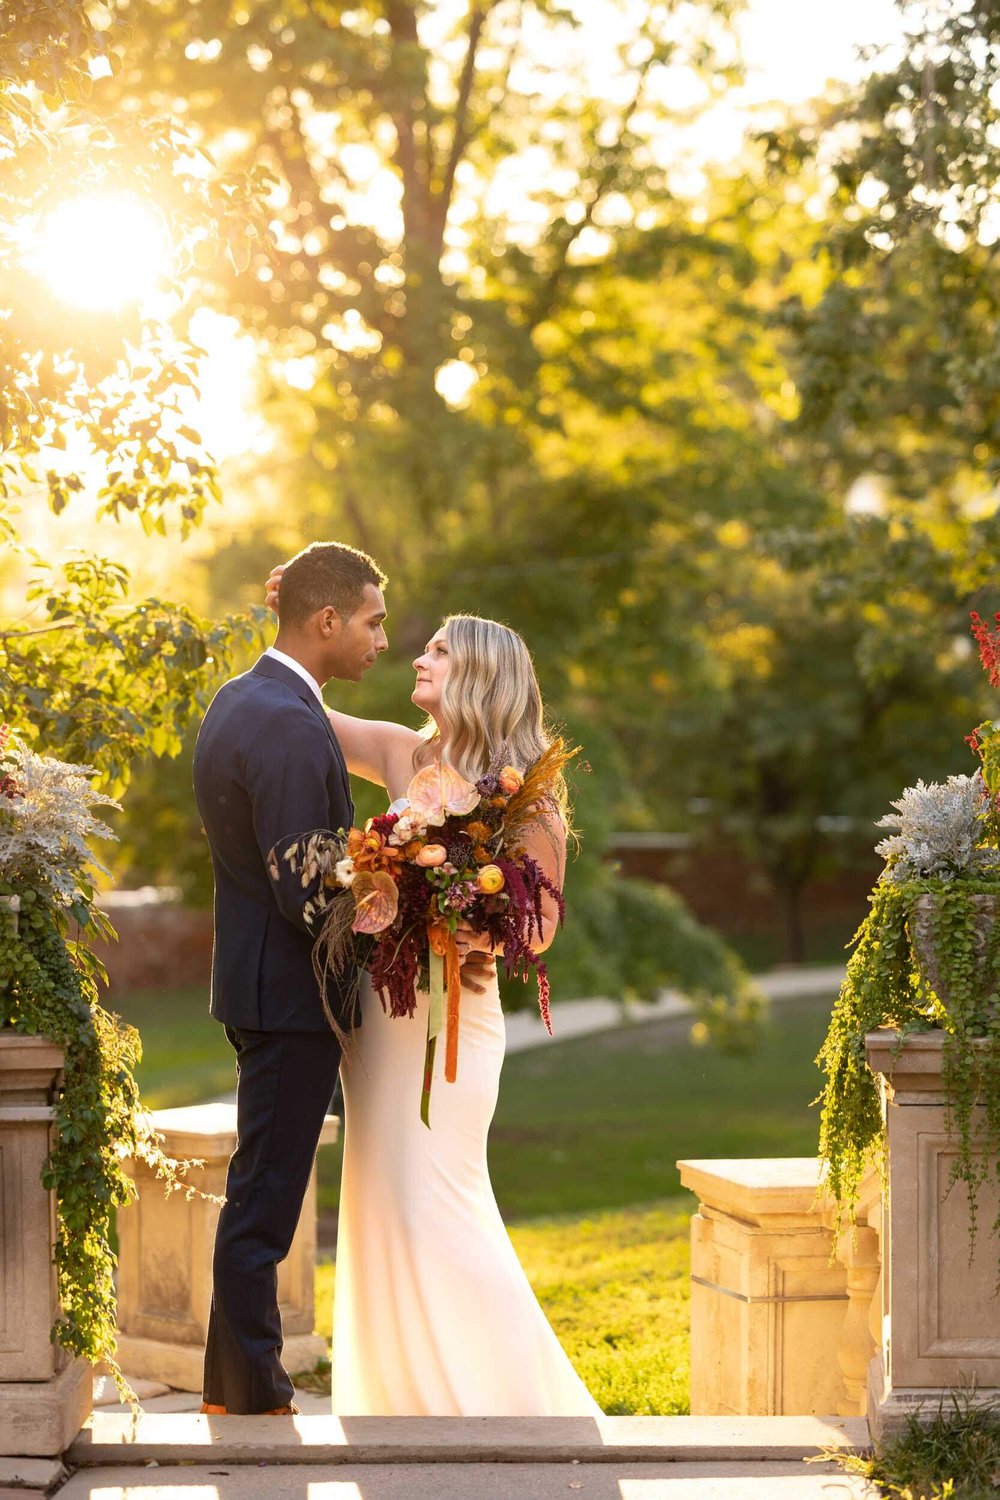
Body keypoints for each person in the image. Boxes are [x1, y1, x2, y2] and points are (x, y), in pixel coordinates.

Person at [265, 567, 601, 1418]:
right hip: (380, 1020)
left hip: (456, 1020)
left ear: (481, 673)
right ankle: (399, 1402)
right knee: (381, 1201)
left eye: (440, 650)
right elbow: (293, 694)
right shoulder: (397, 751)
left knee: (438, 1196)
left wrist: (457, 912)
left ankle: (512, 1404)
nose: (417, 654)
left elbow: (541, 928)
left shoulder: (528, 794)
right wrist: (286, 603)